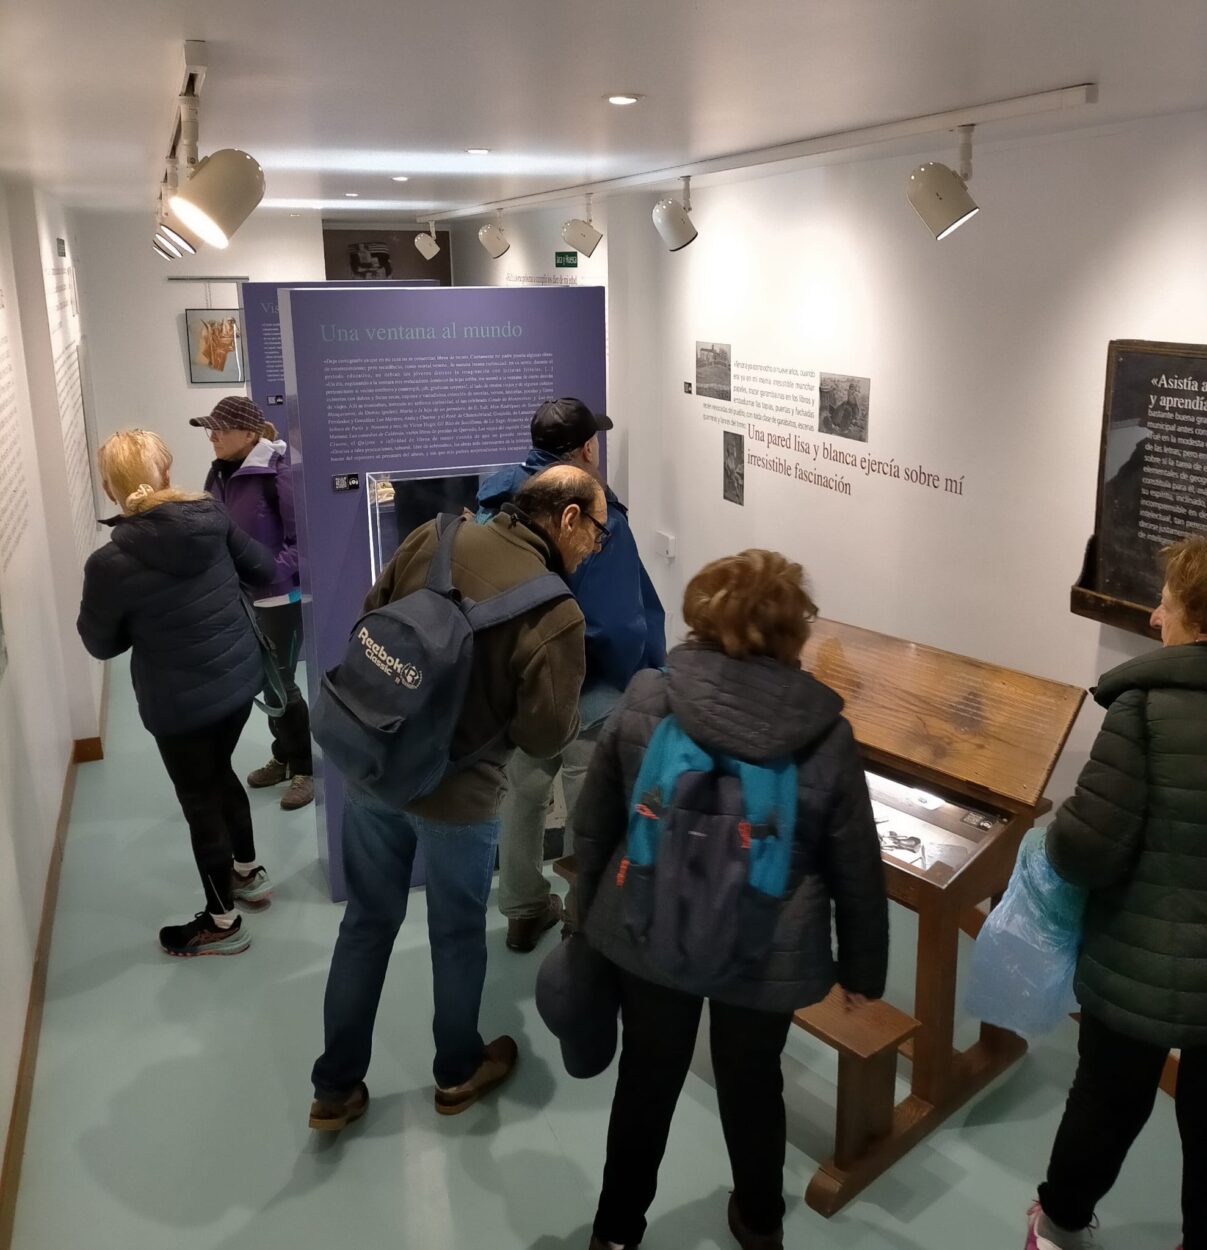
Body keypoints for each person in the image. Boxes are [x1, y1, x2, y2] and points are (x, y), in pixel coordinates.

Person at [573, 549, 889, 1250]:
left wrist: (584, 918)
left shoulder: (647, 699)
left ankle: (616, 1234)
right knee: (752, 1084)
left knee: (646, 1079)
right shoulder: (826, 736)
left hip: (648, 927)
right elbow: (856, 866)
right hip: (767, 946)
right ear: (793, 630)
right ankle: (759, 1224)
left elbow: (595, 821)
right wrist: (863, 970)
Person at [308, 465, 606, 1129]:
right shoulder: (556, 613)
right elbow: (544, 736)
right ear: (567, 519)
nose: (594, 546)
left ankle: (334, 1089)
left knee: (365, 925)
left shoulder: (435, 536)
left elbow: (370, 617)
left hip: (377, 766)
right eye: (596, 531)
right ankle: (456, 1072)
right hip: (460, 798)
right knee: (456, 934)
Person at [1026, 534, 1207, 1250]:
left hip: (1136, 960)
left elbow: (1087, 849)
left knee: (1105, 1101)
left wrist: (1051, 840)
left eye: (1165, 603)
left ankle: (1059, 1227)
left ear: (1194, 616)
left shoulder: (1142, 707)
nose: (1155, 617)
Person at [77, 430, 278, 956]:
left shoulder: (109, 564)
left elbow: (101, 644)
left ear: (109, 488)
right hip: (238, 682)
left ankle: (222, 923)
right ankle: (247, 872)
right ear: (165, 474)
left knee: (199, 801)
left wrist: (142, 623)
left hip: (179, 705)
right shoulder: (211, 517)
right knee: (220, 773)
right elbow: (263, 569)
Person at [477, 397, 666, 952]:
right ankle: (585, 917)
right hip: (589, 686)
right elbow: (619, 621)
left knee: (523, 793)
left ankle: (522, 910)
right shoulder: (597, 514)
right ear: (586, 449)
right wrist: (631, 678)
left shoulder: (498, 501)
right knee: (589, 801)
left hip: (521, 685)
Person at [191, 395, 314, 811]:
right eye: (209, 429)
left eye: (220, 430)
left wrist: (266, 573)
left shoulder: (278, 474)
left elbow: (303, 544)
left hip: (279, 597)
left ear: (248, 434)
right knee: (263, 680)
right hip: (240, 596)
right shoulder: (219, 472)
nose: (212, 437)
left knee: (281, 682)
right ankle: (284, 756)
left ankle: (305, 768)